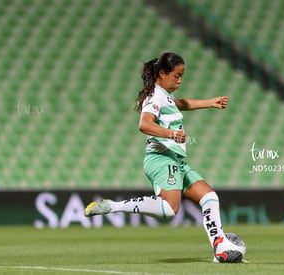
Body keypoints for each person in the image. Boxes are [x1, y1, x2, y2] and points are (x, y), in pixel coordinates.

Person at [84, 52, 230, 261]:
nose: (179, 80)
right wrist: (171, 133)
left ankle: (220, 247)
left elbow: (182, 104)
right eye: (176, 75)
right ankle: (113, 206)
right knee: (169, 209)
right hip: (161, 159)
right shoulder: (155, 96)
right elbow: (144, 124)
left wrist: (210, 102)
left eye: (182, 76)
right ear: (162, 73)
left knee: (209, 197)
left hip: (177, 161)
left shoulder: (165, 95)